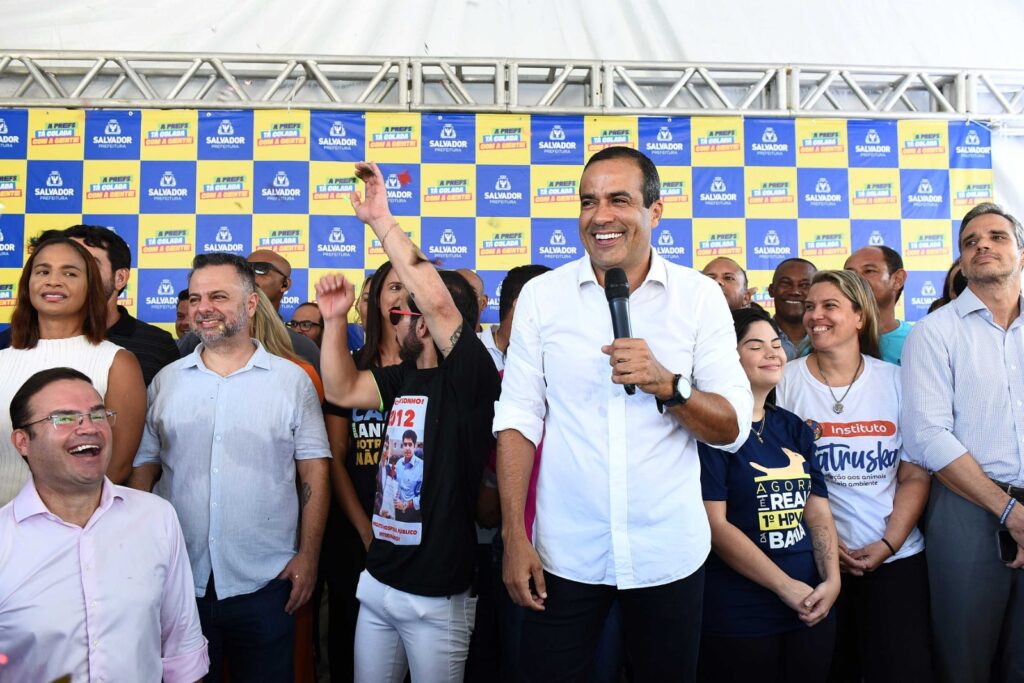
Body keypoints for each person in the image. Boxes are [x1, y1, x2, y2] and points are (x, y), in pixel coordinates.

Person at [494, 146, 753, 681]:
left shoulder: (700, 297)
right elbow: (518, 421)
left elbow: (732, 428)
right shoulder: (542, 298)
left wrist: (669, 385)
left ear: (654, 213)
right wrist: (515, 537)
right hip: (563, 555)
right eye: (589, 201)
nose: (600, 216)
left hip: (668, 553)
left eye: (619, 199)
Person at [317, 160, 501, 683]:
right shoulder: (400, 380)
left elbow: (439, 299)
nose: (395, 313)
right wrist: (333, 321)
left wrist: (381, 222)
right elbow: (342, 389)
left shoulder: (469, 377)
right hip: (378, 585)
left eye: (405, 307)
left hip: (437, 598)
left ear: (429, 318)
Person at [129, 252, 331, 682]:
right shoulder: (166, 380)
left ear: (252, 304)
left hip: (265, 582)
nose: (204, 307)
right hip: (179, 582)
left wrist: (309, 556)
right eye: (198, 297)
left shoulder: (292, 381)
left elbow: (315, 472)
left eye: (219, 296)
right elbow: (145, 467)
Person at [0, 367, 208, 683]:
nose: (89, 428)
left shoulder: (155, 517)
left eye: (98, 415)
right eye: (65, 418)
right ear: (22, 441)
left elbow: (183, 650)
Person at [776, 269, 932, 683]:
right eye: (810, 307)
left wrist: (887, 543)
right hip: (814, 565)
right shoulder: (784, 382)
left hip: (896, 560)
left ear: (861, 316)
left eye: (830, 306)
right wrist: (828, 549)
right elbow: (783, 482)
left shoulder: (897, 380)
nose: (815, 316)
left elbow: (914, 474)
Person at [902, 202, 1024, 682]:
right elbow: (928, 435)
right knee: (964, 660)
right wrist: (1010, 512)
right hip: (966, 506)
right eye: (970, 241)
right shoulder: (935, 332)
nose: (982, 246)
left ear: (1020, 251)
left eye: (996, 236)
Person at [697, 307, 840, 682]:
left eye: (776, 345)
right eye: (756, 346)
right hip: (740, 610)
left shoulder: (793, 428)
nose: (773, 354)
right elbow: (716, 525)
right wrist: (784, 586)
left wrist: (832, 580)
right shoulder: (714, 431)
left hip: (810, 604)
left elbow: (818, 514)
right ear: (729, 357)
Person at [0, 236, 145, 505]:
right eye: (43, 271)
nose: (53, 281)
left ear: (90, 287)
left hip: (81, 531)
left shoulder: (117, 363)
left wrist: (61, 521)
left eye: (69, 272)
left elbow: (118, 467)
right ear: (27, 285)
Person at [319, 260, 405, 683]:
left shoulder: (436, 371)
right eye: (392, 288)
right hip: (355, 533)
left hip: (417, 539)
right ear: (372, 303)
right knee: (350, 644)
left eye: (412, 288)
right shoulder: (346, 366)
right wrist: (366, 531)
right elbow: (334, 457)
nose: (402, 298)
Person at [36, 225, 180, 385]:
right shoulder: (14, 340)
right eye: (70, 267)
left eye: (90, 264)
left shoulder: (157, 345)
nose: (62, 279)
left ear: (120, 278)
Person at [175, 249, 321, 371]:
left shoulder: (303, 348)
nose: (250, 275)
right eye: (245, 268)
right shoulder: (196, 338)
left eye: (261, 269)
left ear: (285, 284)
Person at [844, 245, 910, 364]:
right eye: (850, 274)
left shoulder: (918, 338)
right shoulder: (827, 339)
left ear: (898, 279)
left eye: (869, 271)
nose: (857, 280)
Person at [768, 258, 817, 360]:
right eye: (786, 283)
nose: (795, 291)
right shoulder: (755, 335)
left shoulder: (830, 337)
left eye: (804, 285)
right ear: (771, 290)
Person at [457, 267, 490, 332]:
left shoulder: (491, 341)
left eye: (469, 293)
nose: (459, 300)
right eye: (452, 292)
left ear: (483, 303)